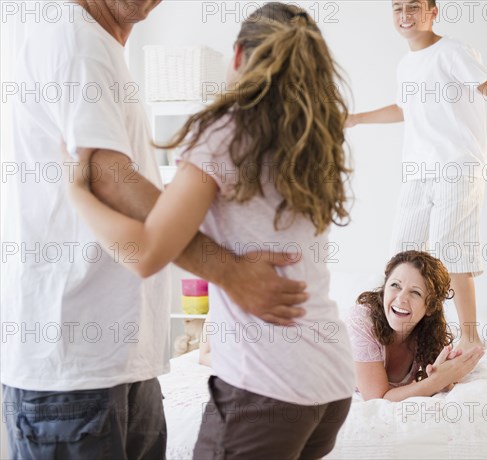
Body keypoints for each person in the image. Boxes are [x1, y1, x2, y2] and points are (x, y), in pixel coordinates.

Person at [1, 0, 308, 458]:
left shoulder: (102, 46)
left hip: (122, 358)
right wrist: (230, 271)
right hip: (74, 363)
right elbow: (106, 177)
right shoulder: (73, 36)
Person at [64, 3, 355, 459]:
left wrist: (78, 192)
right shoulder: (312, 143)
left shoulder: (227, 132)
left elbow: (146, 254)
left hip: (268, 389)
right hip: (330, 385)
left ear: (238, 57)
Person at [346, 0, 487, 351]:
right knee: (402, 255)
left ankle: (470, 337)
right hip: (418, 170)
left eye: (414, 7)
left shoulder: (452, 51)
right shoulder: (406, 63)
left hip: (458, 165)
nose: (405, 15)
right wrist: (357, 118)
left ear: (433, 12)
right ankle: (405, 339)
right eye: (397, 8)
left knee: (449, 250)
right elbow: (404, 108)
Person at [348, 251, 485, 401]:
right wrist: (437, 381)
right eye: (395, 285)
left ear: (430, 307)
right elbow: (378, 398)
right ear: (384, 288)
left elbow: (430, 380)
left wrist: (441, 373)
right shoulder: (362, 320)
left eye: (415, 293)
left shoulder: (426, 334)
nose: (401, 299)